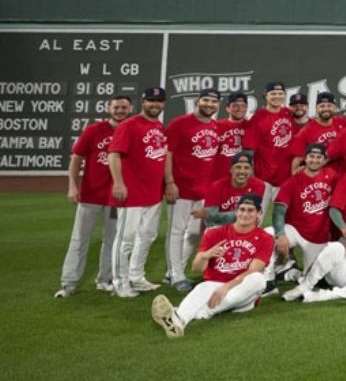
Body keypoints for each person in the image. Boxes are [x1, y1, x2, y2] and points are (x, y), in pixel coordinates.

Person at [150, 194, 274, 338]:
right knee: (202, 287)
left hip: (242, 291)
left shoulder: (265, 238)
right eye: (242, 209)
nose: (245, 214)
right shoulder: (215, 233)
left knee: (258, 279)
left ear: (259, 213)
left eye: (250, 210)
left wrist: (226, 287)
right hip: (213, 284)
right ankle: (178, 320)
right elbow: (197, 268)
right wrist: (205, 255)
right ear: (236, 211)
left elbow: (254, 270)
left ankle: (195, 312)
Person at [56, 95, 132, 297]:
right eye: (116, 107)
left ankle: (104, 279)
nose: (120, 110)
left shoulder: (131, 131)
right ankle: (69, 283)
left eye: (124, 107)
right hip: (90, 195)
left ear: (130, 108)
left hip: (117, 197)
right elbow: (75, 159)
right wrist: (72, 186)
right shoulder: (93, 130)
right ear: (109, 108)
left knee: (112, 240)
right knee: (79, 239)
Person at [108, 86, 170, 298]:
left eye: (159, 101)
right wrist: (118, 183)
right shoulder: (129, 125)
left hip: (152, 193)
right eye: (151, 101)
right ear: (143, 102)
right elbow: (114, 155)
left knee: (147, 236)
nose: (155, 105)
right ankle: (119, 282)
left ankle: (136, 277)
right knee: (126, 239)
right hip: (131, 193)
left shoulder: (159, 126)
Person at [163, 88, 222, 290]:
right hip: (181, 188)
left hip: (203, 189)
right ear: (198, 101)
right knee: (176, 231)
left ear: (218, 105)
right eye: (205, 100)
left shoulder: (215, 126)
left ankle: (173, 271)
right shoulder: (179, 123)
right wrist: (169, 182)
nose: (209, 104)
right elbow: (167, 154)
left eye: (214, 102)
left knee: (195, 233)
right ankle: (176, 275)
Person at [273, 143, 339, 274]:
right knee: (269, 236)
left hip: (319, 237)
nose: (314, 160)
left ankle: (290, 273)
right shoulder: (292, 181)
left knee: (316, 276)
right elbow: (278, 211)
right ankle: (269, 280)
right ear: (305, 158)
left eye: (319, 157)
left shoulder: (332, 176)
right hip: (295, 230)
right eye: (311, 156)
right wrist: (280, 235)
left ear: (325, 160)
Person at [243, 81, 295, 212]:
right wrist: (251, 176)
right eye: (273, 93)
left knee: (286, 217)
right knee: (256, 216)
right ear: (265, 95)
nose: (277, 96)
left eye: (280, 93)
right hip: (263, 177)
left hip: (286, 176)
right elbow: (249, 150)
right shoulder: (258, 118)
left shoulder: (288, 114)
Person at [201, 152, 266, 229]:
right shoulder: (217, 186)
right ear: (231, 169)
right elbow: (209, 219)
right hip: (219, 228)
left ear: (251, 171)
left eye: (246, 168)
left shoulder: (258, 185)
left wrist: (220, 217)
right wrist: (241, 216)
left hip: (244, 228)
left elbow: (253, 217)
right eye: (238, 167)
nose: (242, 171)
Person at [289, 92, 341, 174]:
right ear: (316, 108)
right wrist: (295, 173)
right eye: (322, 106)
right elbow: (298, 159)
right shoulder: (306, 131)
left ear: (334, 107)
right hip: (319, 179)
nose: (326, 109)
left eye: (329, 106)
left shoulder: (342, 123)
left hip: (341, 177)